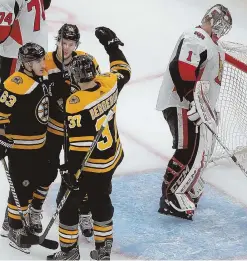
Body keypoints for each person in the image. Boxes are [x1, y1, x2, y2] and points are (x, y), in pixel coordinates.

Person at [47, 26, 131, 260]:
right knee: (101, 200)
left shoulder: (76, 104)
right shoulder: (109, 84)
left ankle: (69, 252)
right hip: (111, 159)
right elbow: (123, 69)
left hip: (89, 165)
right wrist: (112, 46)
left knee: (66, 204)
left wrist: (70, 174)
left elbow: (79, 148)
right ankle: (104, 249)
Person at [156, 4, 232, 220]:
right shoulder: (196, 35)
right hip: (182, 103)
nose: (218, 29)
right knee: (187, 148)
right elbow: (180, 67)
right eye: (217, 23)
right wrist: (193, 99)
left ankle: (186, 187)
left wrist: (205, 107)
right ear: (208, 18)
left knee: (196, 151)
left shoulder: (214, 46)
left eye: (222, 27)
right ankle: (170, 195)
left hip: (196, 106)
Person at [29, 23, 101, 238]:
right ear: (57, 40)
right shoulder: (46, 62)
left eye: (71, 43)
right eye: (63, 42)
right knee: (47, 172)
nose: (67, 47)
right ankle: (35, 210)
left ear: (77, 44)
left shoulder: (87, 61)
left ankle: (84, 213)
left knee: (81, 174)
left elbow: (96, 90)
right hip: (52, 129)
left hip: (77, 132)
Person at [0, 0, 51, 236]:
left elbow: (1, 31)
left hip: (19, 57)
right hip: (31, 56)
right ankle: (13, 219)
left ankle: (16, 216)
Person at [0, 0, 51, 83]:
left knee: (11, 93)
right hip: (40, 51)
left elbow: (2, 32)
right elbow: (46, 3)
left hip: (17, 56)